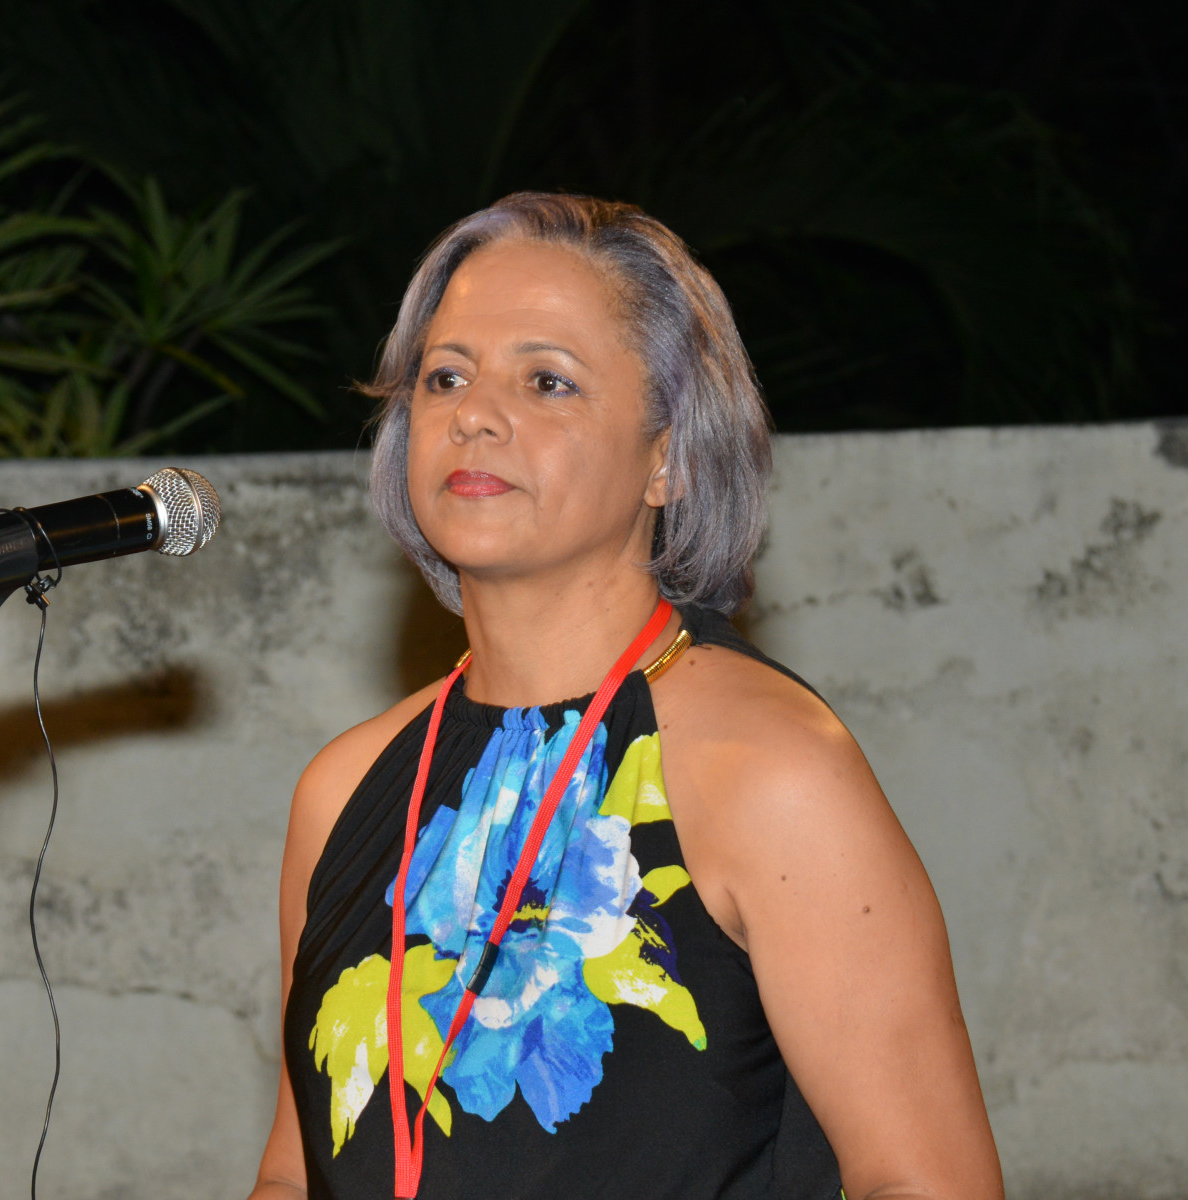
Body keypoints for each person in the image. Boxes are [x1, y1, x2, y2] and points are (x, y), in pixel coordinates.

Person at [249, 193, 1004, 1199]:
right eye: (446, 377)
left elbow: (927, 1182)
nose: (473, 414)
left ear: (669, 458)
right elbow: (294, 1175)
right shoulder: (344, 789)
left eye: (547, 381)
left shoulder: (769, 772)